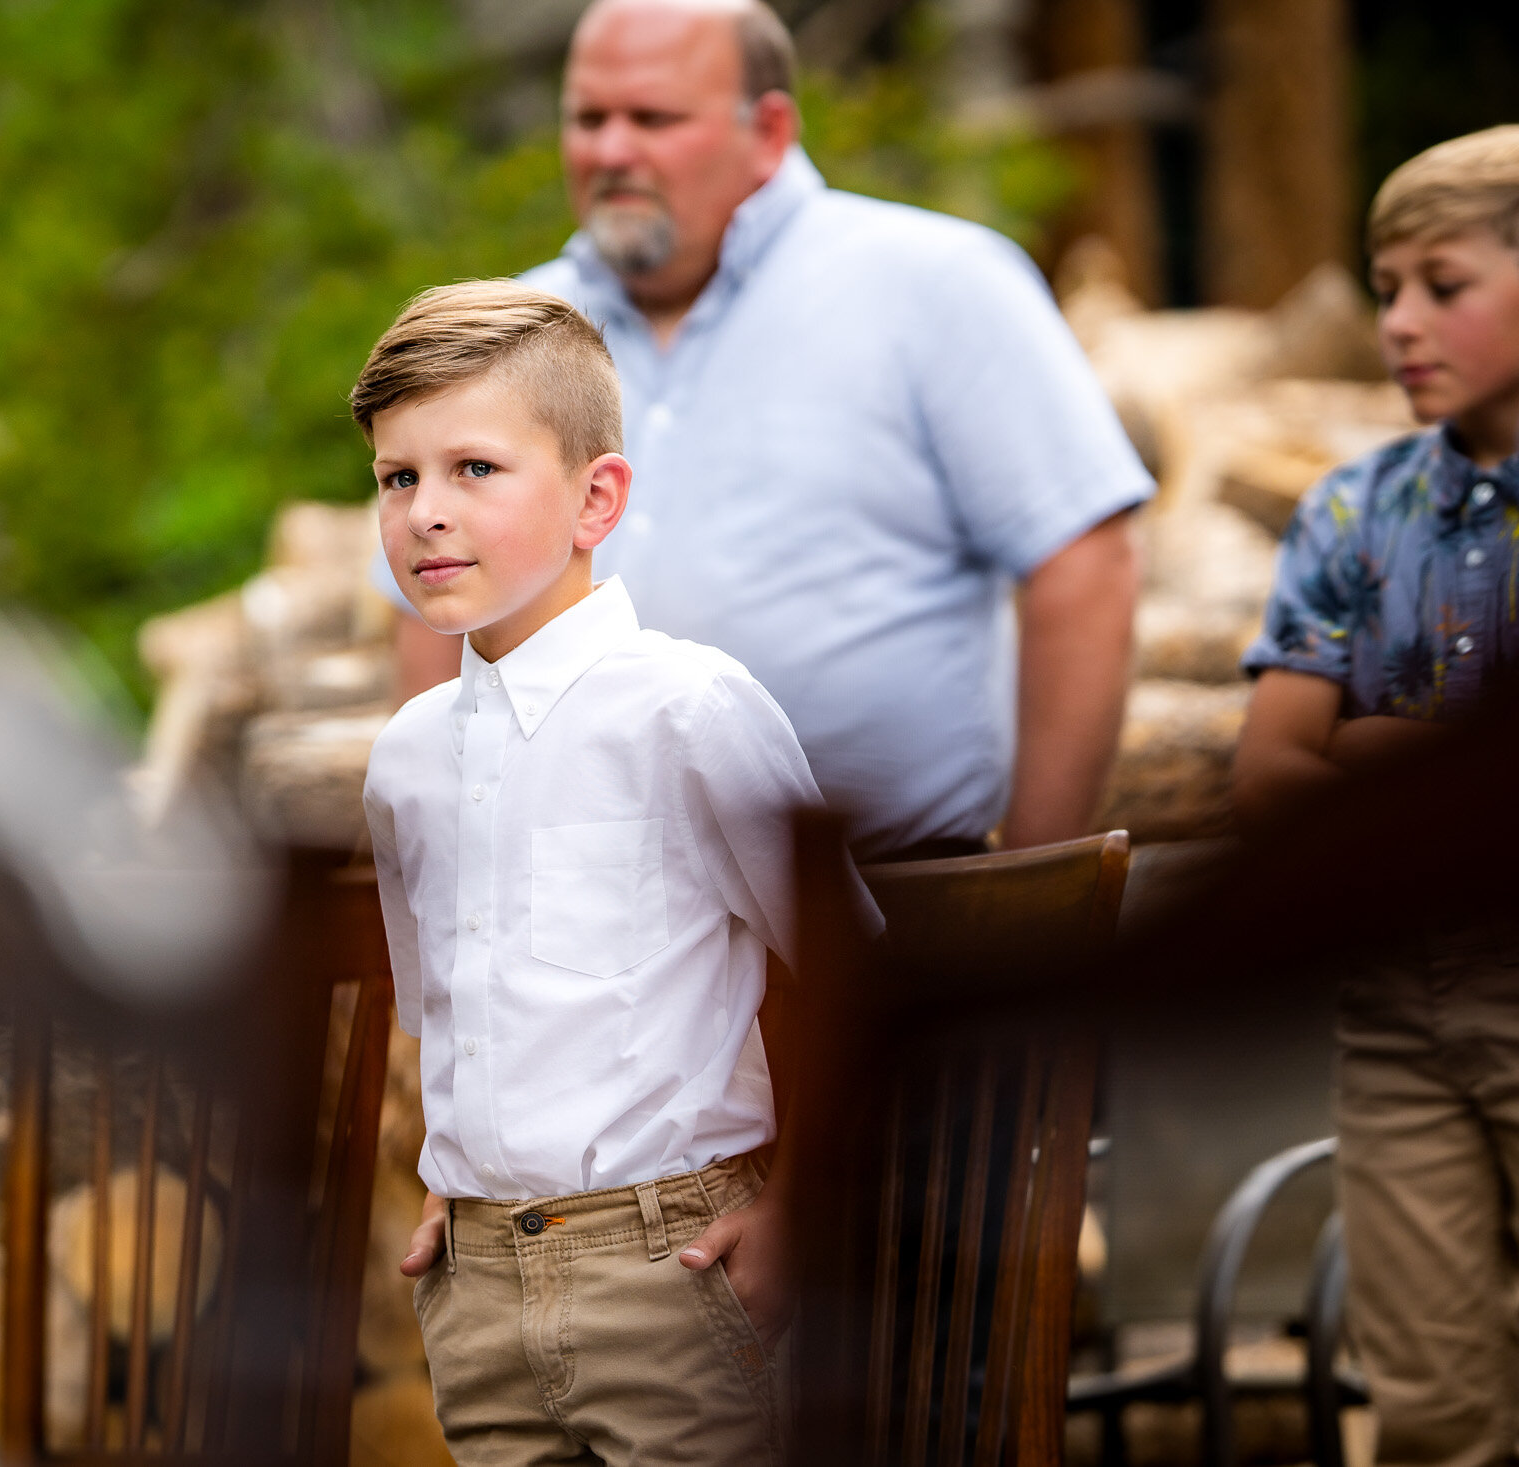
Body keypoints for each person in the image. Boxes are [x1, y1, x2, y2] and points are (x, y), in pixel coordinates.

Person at [378, 0, 1150, 861]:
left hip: (895, 902)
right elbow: (429, 610)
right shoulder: (511, 328)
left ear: (770, 129)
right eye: (589, 118)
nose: (611, 150)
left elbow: (1084, 557)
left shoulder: (937, 286)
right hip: (572, 908)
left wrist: (1033, 887)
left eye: (654, 117)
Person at [359, 279, 878, 1463]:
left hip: (671, 1271)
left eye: (474, 470)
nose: (426, 513)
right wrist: (457, 1187)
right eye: (399, 478)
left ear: (597, 499)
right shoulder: (405, 762)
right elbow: (446, 1015)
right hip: (476, 1294)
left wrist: (797, 1209)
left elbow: (854, 980)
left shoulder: (687, 709)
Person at [1233, 125, 1519, 1467]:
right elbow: (1273, 767)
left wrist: (1374, 739)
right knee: (1430, 1406)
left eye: (1441, 284)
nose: (1398, 322)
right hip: (1399, 1011)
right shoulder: (1353, 512)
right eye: (1384, 283)